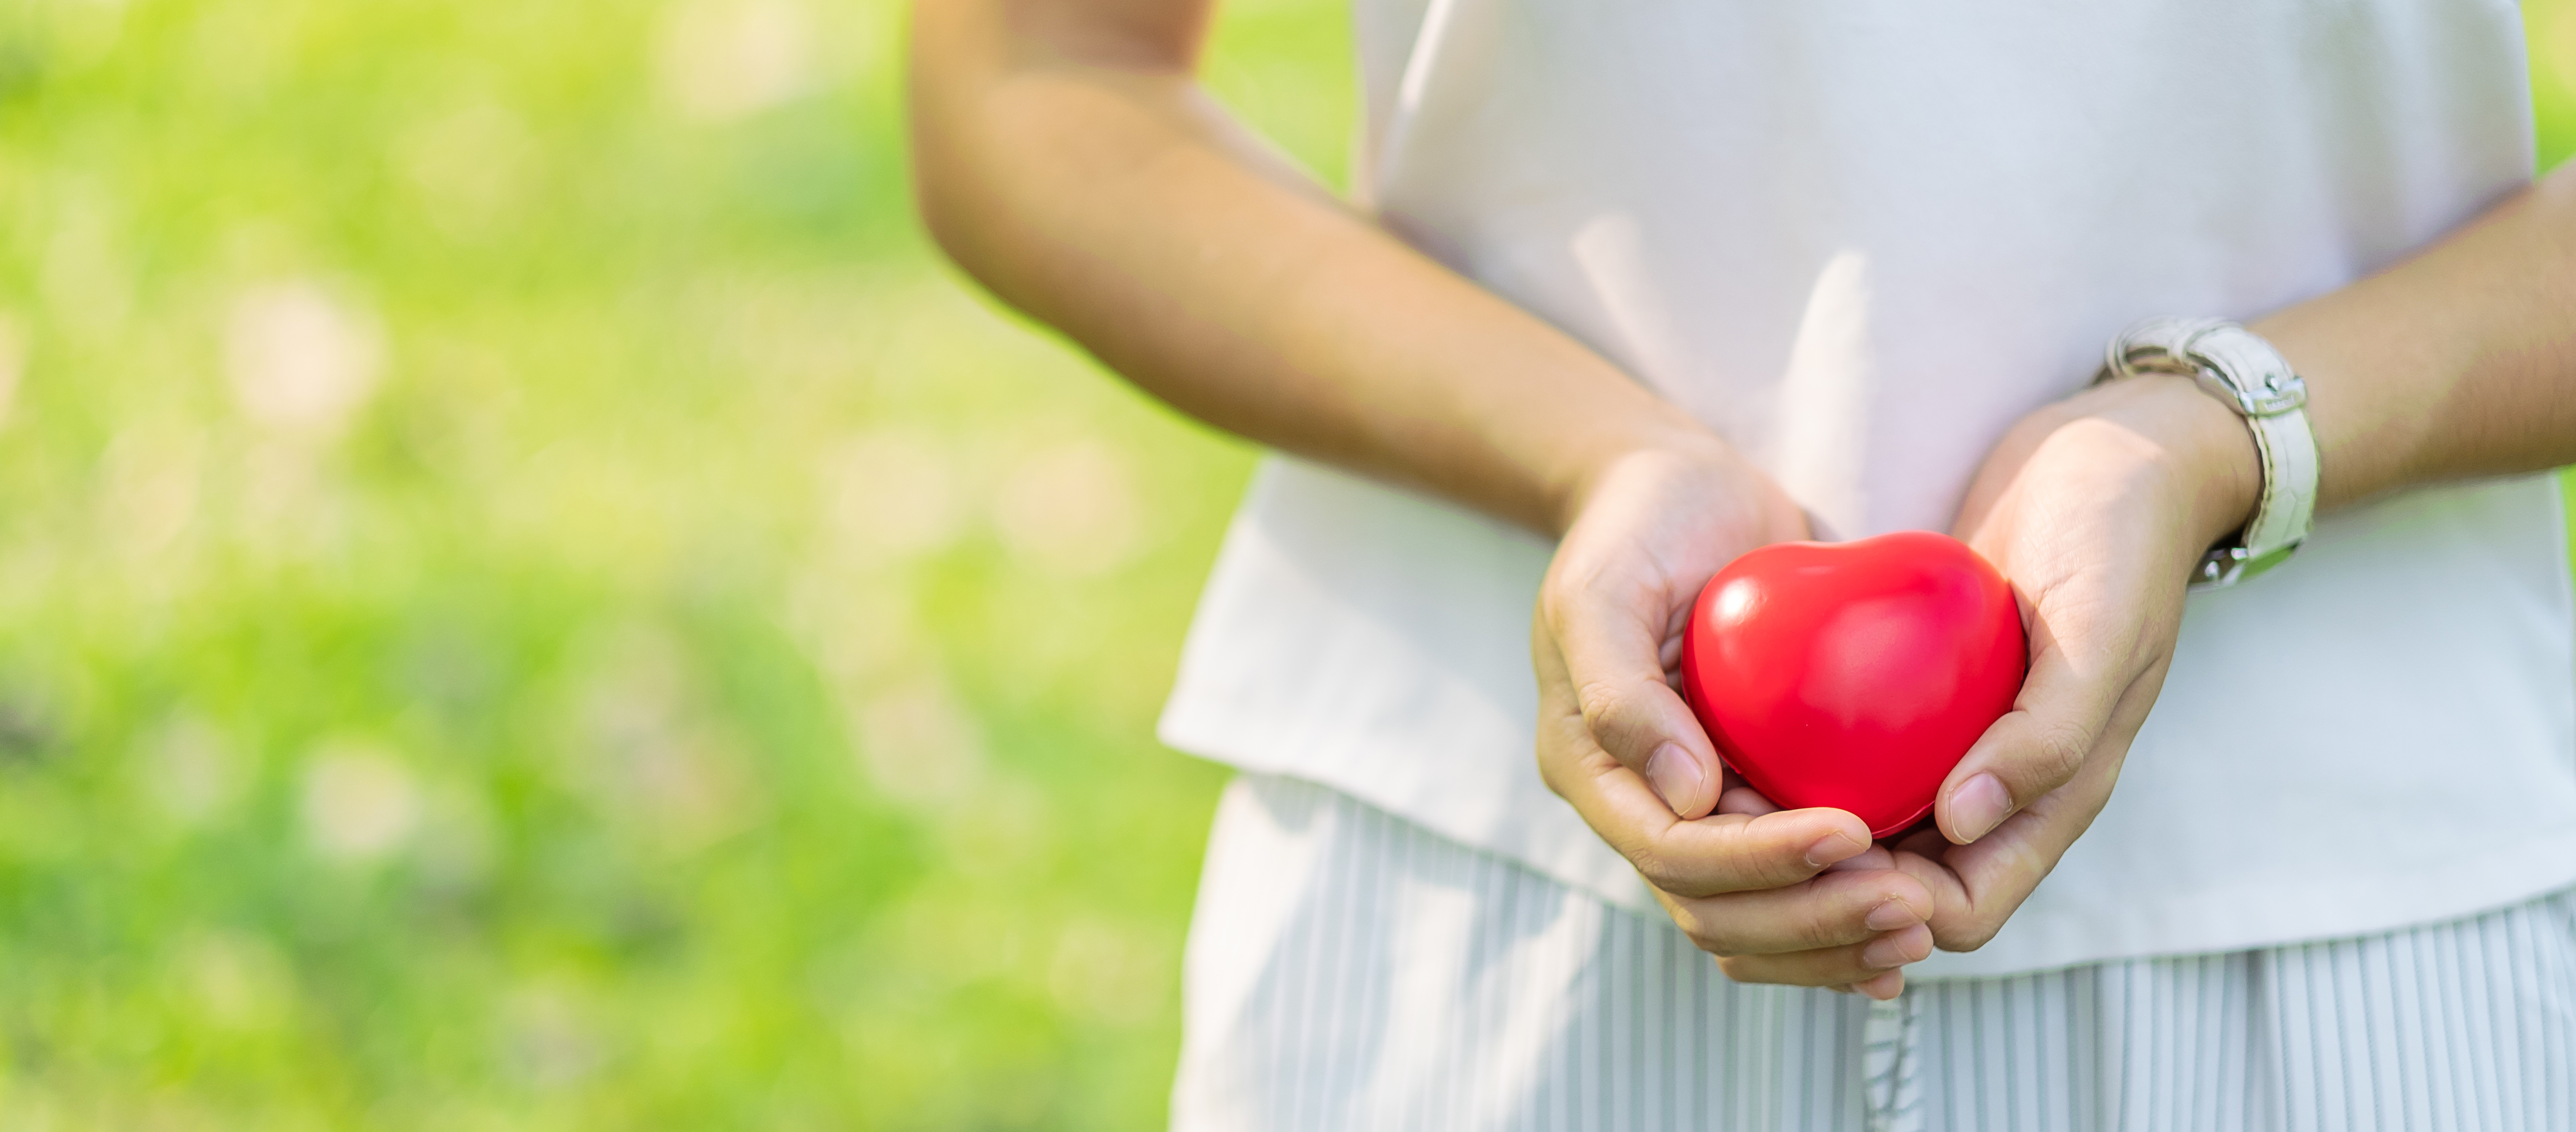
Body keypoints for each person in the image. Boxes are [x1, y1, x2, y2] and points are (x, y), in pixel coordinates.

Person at [909, 0, 2576, 1127]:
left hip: (2357, 930)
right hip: (1475, 914)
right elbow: (1041, 81)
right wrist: (1588, 451)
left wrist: (2222, 436)